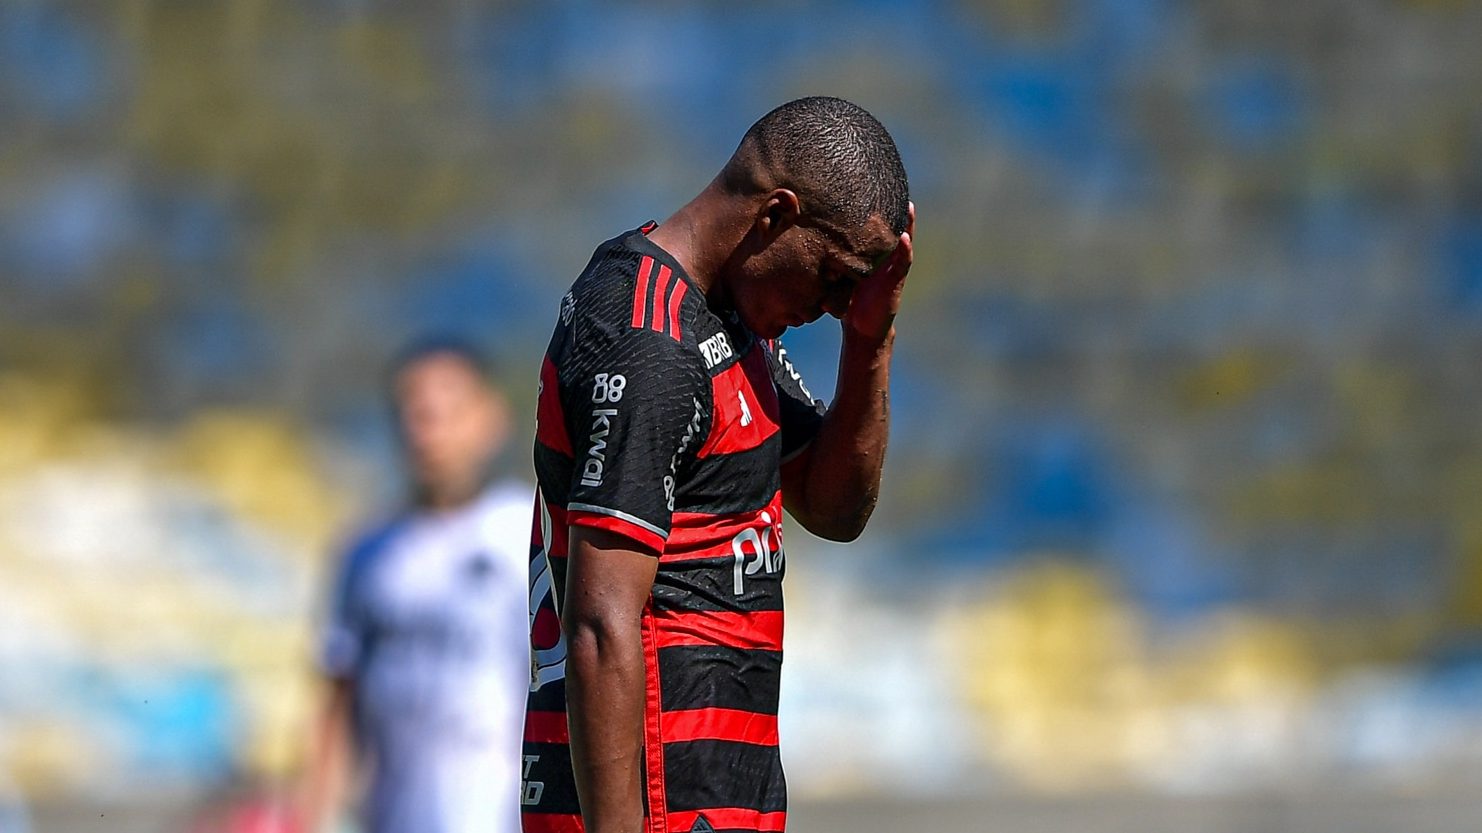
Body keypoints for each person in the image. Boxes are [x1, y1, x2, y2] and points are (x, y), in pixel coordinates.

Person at [521, 97, 914, 833]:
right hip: (654, 807)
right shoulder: (649, 343)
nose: (834, 304)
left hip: (718, 801)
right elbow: (601, 621)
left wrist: (871, 338)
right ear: (775, 216)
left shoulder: (726, 318)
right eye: (835, 277)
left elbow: (835, 508)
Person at [300, 339, 533, 833]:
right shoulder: (368, 555)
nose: (425, 431)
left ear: (491, 421)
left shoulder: (528, 533)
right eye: (412, 412)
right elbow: (338, 702)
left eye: (445, 412)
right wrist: (317, 816)